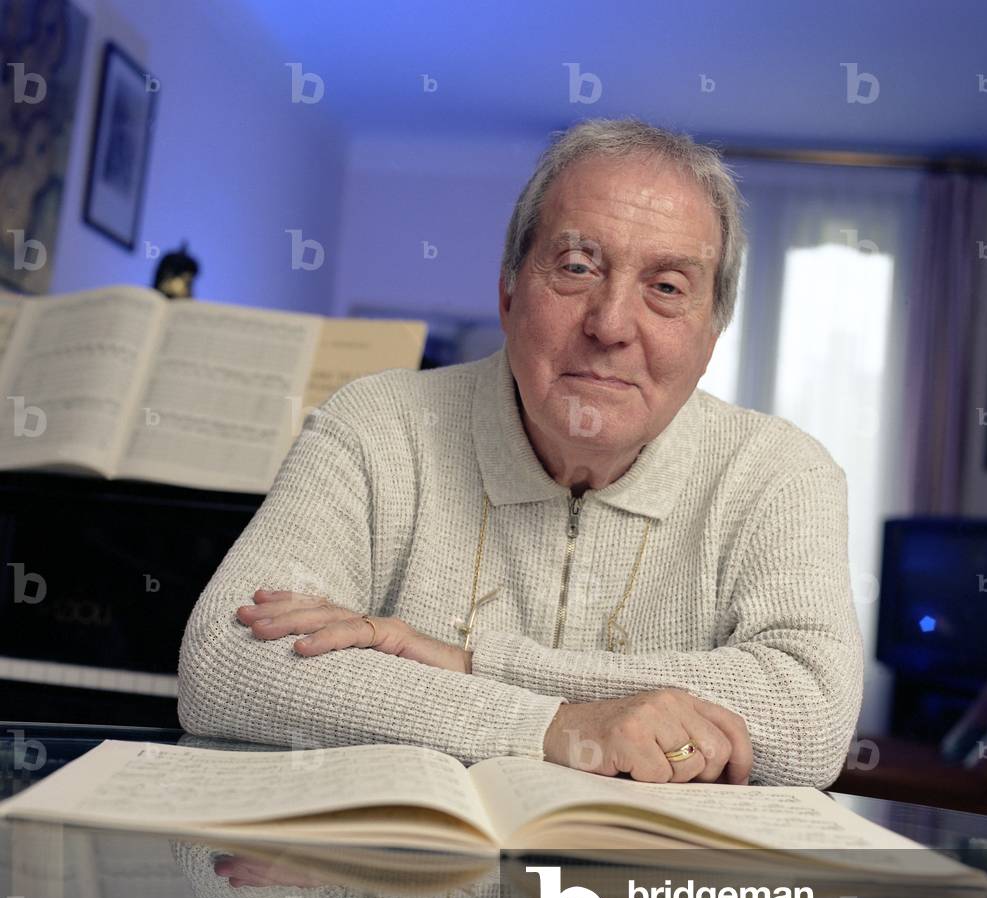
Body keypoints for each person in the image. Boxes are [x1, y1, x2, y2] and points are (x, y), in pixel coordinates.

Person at [177, 117, 863, 788]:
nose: (611, 324)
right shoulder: (375, 423)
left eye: (666, 287)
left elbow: (810, 717)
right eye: (577, 266)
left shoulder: (780, 472)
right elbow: (226, 662)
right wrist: (555, 727)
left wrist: (468, 662)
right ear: (508, 292)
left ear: (711, 335)